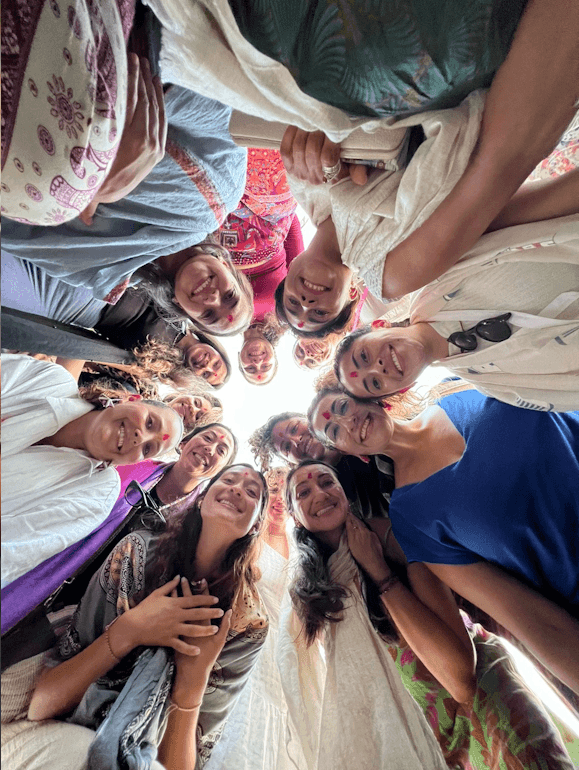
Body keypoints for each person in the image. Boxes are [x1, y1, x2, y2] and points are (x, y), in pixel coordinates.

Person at [147, 0, 578, 307]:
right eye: (319, 314)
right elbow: (498, 175)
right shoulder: (389, 273)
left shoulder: (304, 191)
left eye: (292, 304)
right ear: (352, 295)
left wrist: (325, 136)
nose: (305, 304)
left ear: (289, 266)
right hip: (470, 88)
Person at [284, 461, 574, 769]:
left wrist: (379, 573)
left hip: (487, 702)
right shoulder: (312, 594)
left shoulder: (395, 537)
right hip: (421, 732)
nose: (320, 494)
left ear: (344, 491)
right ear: (295, 517)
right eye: (303, 492)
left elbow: (460, 678)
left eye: (327, 482)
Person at [308, 386, 579, 694]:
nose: (347, 422)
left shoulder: (458, 386)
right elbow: (533, 620)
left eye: (343, 407)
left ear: (370, 399)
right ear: (350, 453)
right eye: (334, 431)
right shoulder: (411, 518)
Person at [2, 464, 269, 770]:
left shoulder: (247, 624)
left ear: (256, 525)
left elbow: (180, 766)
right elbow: (42, 704)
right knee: (82, 751)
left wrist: (193, 679)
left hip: (144, 757)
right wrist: (129, 631)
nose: (237, 489)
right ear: (201, 499)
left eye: (252, 492)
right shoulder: (135, 554)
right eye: (229, 479)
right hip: (57, 732)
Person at [1, 424, 237, 638]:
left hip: (85, 620)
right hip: (46, 567)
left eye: (221, 450)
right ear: (184, 443)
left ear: (217, 474)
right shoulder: (128, 466)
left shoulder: (192, 526)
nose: (210, 448)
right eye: (208, 438)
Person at [1, 354, 183, 590]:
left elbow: (11, 552)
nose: (140, 438)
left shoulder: (97, 495)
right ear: (131, 399)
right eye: (150, 422)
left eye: (148, 448)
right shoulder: (49, 382)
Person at [2, 241, 255, 339]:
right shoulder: (201, 210)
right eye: (229, 296)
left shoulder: (124, 278)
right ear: (226, 265)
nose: (213, 298)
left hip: (61, 302)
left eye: (208, 315)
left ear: (180, 307)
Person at [249, 412, 393, 519]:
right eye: (287, 447)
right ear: (291, 463)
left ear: (310, 419)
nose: (296, 441)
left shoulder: (367, 432)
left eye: (294, 429)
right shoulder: (329, 501)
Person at [216, 147, 305, 320]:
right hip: (267, 227)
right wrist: (283, 218)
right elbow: (297, 257)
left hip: (225, 232)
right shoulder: (286, 311)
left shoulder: (223, 322)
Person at [239, 316, 285, 385]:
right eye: (266, 366)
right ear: (274, 353)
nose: (257, 362)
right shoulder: (283, 316)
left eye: (250, 368)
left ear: (239, 359)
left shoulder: (227, 323)